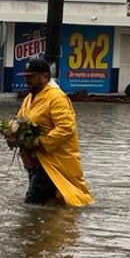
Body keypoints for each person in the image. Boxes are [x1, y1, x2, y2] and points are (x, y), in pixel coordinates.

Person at [16, 58, 94, 207]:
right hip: (35, 161)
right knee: (48, 204)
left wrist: (40, 143)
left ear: (45, 76)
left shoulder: (56, 98)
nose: (27, 80)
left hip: (53, 162)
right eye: (26, 76)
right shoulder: (29, 98)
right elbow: (20, 121)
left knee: (32, 205)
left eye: (31, 76)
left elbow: (66, 128)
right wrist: (12, 134)